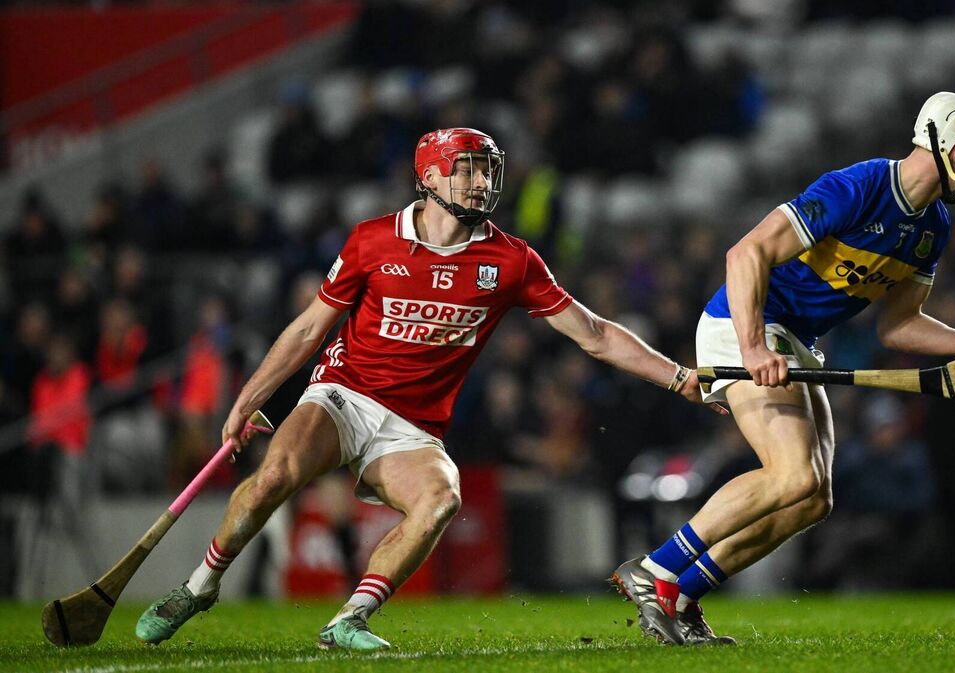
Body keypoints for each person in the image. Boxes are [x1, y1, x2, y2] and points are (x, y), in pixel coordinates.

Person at [135, 128, 724, 651]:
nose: (479, 180)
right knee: (271, 479)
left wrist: (676, 376)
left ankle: (352, 618)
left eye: (486, 169)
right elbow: (310, 328)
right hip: (343, 394)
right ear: (429, 176)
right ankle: (200, 586)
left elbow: (593, 334)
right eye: (465, 168)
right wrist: (247, 398)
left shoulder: (512, 260)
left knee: (442, 500)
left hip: (415, 428)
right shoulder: (372, 241)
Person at [610, 92, 955, 645]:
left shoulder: (932, 228)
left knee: (813, 497)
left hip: (796, 341)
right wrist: (752, 348)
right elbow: (745, 255)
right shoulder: (858, 186)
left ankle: (683, 594)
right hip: (743, 322)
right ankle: (654, 571)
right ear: (952, 146)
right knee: (791, 473)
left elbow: (898, 325)